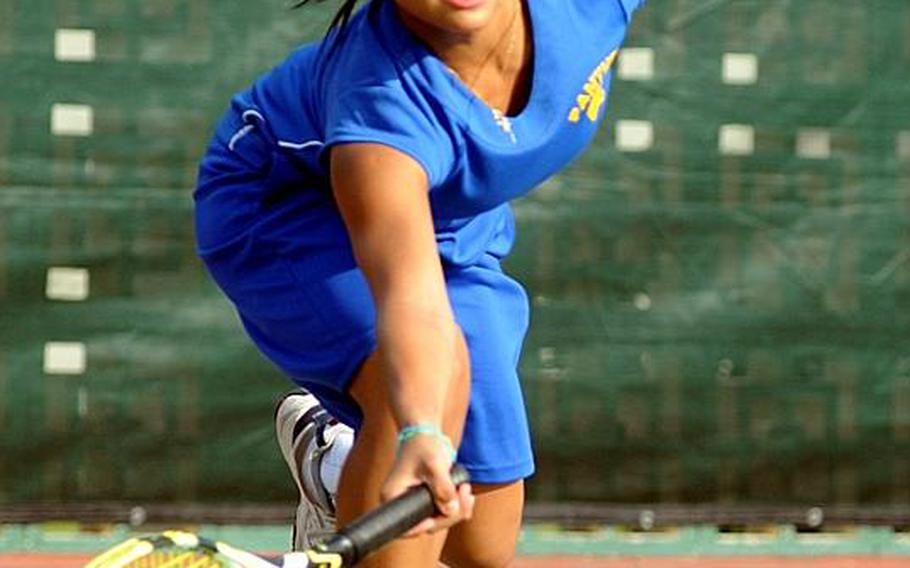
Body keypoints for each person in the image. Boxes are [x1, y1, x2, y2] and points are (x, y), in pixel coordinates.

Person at [194, 0, 645, 565]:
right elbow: (412, 301)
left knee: (482, 547)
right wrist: (420, 432)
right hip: (286, 206)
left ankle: (337, 475)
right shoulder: (381, 105)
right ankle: (371, 463)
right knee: (427, 382)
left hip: (453, 220)